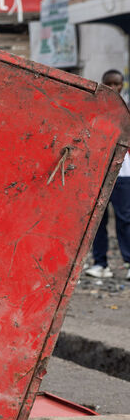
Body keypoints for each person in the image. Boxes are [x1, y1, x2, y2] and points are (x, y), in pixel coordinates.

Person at [86, 69, 130, 280]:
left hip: (124, 174)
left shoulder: (127, 109)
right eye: (109, 84)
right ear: (103, 85)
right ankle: (100, 263)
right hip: (100, 174)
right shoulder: (97, 109)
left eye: (117, 84)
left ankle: (128, 262)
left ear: (122, 85)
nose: (114, 88)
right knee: (98, 221)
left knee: (125, 219)